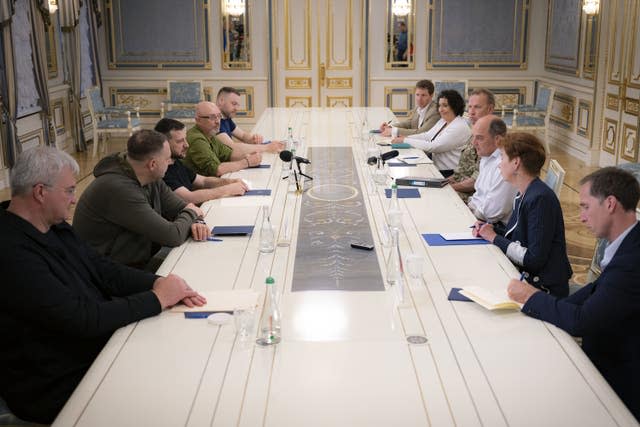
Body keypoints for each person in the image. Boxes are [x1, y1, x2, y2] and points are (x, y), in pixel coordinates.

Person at [0, 146, 205, 424]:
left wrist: (162, 283)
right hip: (57, 383)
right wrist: (156, 299)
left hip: (92, 350)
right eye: (69, 191)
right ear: (40, 192)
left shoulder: (53, 225)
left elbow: (103, 270)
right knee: (174, 393)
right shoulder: (12, 252)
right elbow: (81, 318)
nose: (74, 200)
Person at [508, 167, 640, 421]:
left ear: (610, 204)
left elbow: (582, 321)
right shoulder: (630, 241)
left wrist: (530, 297)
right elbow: (597, 289)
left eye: (585, 207)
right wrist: (544, 301)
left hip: (618, 382)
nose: (580, 217)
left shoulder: (631, 262)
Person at [73, 129, 211, 270]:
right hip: (107, 274)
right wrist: (192, 213)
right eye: (167, 159)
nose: (170, 163)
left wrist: (197, 220)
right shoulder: (118, 189)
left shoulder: (151, 177)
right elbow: (172, 235)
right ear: (152, 164)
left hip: (137, 261)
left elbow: (181, 207)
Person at [473, 132, 571, 297]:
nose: (499, 165)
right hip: (528, 278)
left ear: (516, 163)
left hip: (544, 289)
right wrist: (491, 230)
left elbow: (533, 259)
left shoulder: (540, 199)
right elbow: (518, 236)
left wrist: (494, 238)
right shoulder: (523, 192)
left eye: (503, 158)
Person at [154, 118, 249, 204]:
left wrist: (229, 182)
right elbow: (189, 198)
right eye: (180, 141)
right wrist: (227, 190)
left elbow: (203, 181)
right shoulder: (162, 171)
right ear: (164, 144)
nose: (186, 145)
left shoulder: (176, 162)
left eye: (185, 139)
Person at [184, 101, 264, 177]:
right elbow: (216, 169)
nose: (218, 121)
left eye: (219, 116)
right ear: (198, 120)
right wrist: (247, 162)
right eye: (212, 117)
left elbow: (229, 154)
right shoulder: (197, 139)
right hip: (201, 188)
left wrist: (251, 155)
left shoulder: (210, 134)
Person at [403, 89, 472, 177]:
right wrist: (407, 137)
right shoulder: (444, 121)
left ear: (455, 106)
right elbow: (427, 136)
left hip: (449, 173)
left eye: (445, 106)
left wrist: (405, 140)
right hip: (436, 167)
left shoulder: (459, 126)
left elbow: (433, 147)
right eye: (439, 106)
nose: (440, 109)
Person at [467, 116, 517, 226]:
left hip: (493, 226)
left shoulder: (504, 165)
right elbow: (478, 194)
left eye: (479, 138)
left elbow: (491, 213)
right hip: (476, 214)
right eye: (473, 137)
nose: (473, 143)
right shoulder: (486, 156)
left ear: (497, 139)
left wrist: (468, 213)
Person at [449, 88, 496, 201]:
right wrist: (443, 182)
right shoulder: (475, 130)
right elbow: (461, 171)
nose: (471, 112)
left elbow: (475, 182)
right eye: (470, 107)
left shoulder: (491, 137)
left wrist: (449, 188)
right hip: (459, 185)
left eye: (477, 107)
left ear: (490, 109)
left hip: (474, 197)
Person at [215, 87, 284, 152]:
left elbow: (243, 135)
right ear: (221, 101)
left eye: (237, 105)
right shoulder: (214, 121)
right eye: (234, 104)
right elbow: (233, 148)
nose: (237, 109)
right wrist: (267, 147)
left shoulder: (225, 118)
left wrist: (254, 138)